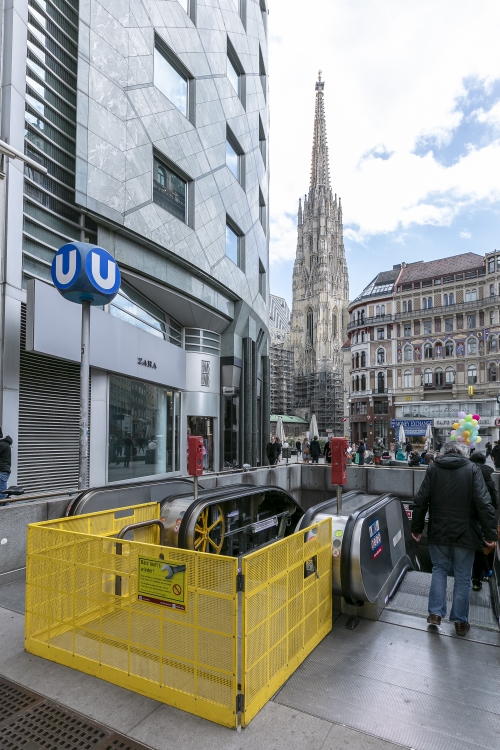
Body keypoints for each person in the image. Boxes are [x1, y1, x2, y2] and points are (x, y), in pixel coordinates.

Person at [411, 442, 497, 636]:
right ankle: (460, 622)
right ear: (464, 454)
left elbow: (421, 499)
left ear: (444, 453)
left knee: (439, 569)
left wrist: (416, 527)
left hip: (439, 531)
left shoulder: (433, 468)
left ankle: (435, 614)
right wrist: (491, 533)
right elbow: (484, 503)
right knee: (463, 576)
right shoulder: (472, 469)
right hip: (466, 532)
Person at [469, 451, 499, 591]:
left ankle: (462, 577)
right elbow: (495, 503)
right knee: (480, 550)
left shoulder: (467, 474)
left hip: (467, 518)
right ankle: (476, 580)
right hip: (482, 520)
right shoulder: (488, 478)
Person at [0, 429, 12, 498]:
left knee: (1, 496)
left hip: (2, 472)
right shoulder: (4, 443)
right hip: (4, 472)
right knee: (3, 495)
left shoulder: (2, 444)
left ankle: (6, 508)